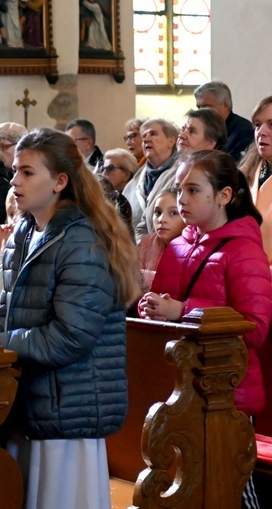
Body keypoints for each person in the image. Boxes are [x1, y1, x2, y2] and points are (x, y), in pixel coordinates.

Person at [0, 127, 140, 509]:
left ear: (59, 181)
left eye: (27, 172)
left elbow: (69, 337)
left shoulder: (83, 241)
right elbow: (12, 314)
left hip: (68, 410)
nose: (15, 180)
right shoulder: (23, 231)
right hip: (30, 401)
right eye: (15, 171)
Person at [139, 150, 271, 509]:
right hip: (178, 385)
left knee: (227, 489)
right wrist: (149, 309)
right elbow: (164, 305)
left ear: (224, 196)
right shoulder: (179, 246)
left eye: (193, 191)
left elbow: (255, 328)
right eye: (179, 190)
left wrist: (182, 311)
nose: (181, 199)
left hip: (227, 394)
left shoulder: (243, 250)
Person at [136, 110, 226, 240]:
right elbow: (144, 222)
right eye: (183, 129)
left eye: (192, 131)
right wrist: (146, 249)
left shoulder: (216, 179)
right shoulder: (166, 174)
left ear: (211, 143)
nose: (182, 135)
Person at [128, 118, 179, 242]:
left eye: (153, 134)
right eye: (144, 136)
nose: (146, 139)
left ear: (171, 141)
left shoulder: (182, 174)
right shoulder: (137, 176)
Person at [240, 95, 272, 263]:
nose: (261, 132)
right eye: (257, 125)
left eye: (271, 125)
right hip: (246, 270)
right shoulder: (248, 171)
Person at [137, 188, 185, 291]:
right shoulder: (146, 242)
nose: (162, 219)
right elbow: (131, 280)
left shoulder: (192, 248)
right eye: (158, 213)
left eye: (173, 213)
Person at [194, 80, 254, 162]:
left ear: (225, 105)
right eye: (199, 107)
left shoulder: (245, 131)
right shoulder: (203, 130)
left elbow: (234, 167)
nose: (201, 112)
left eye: (206, 107)